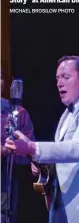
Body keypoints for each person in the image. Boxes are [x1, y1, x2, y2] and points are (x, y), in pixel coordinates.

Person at [4, 56, 79, 223]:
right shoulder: (68, 114)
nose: (59, 83)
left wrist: (32, 147)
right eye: (57, 78)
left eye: (66, 77)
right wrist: (39, 162)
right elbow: (65, 158)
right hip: (65, 204)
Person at [1, 70, 35, 223]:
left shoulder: (17, 113)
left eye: (0, 76)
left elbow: (29, 150)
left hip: (6, 185)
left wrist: (9, 150)